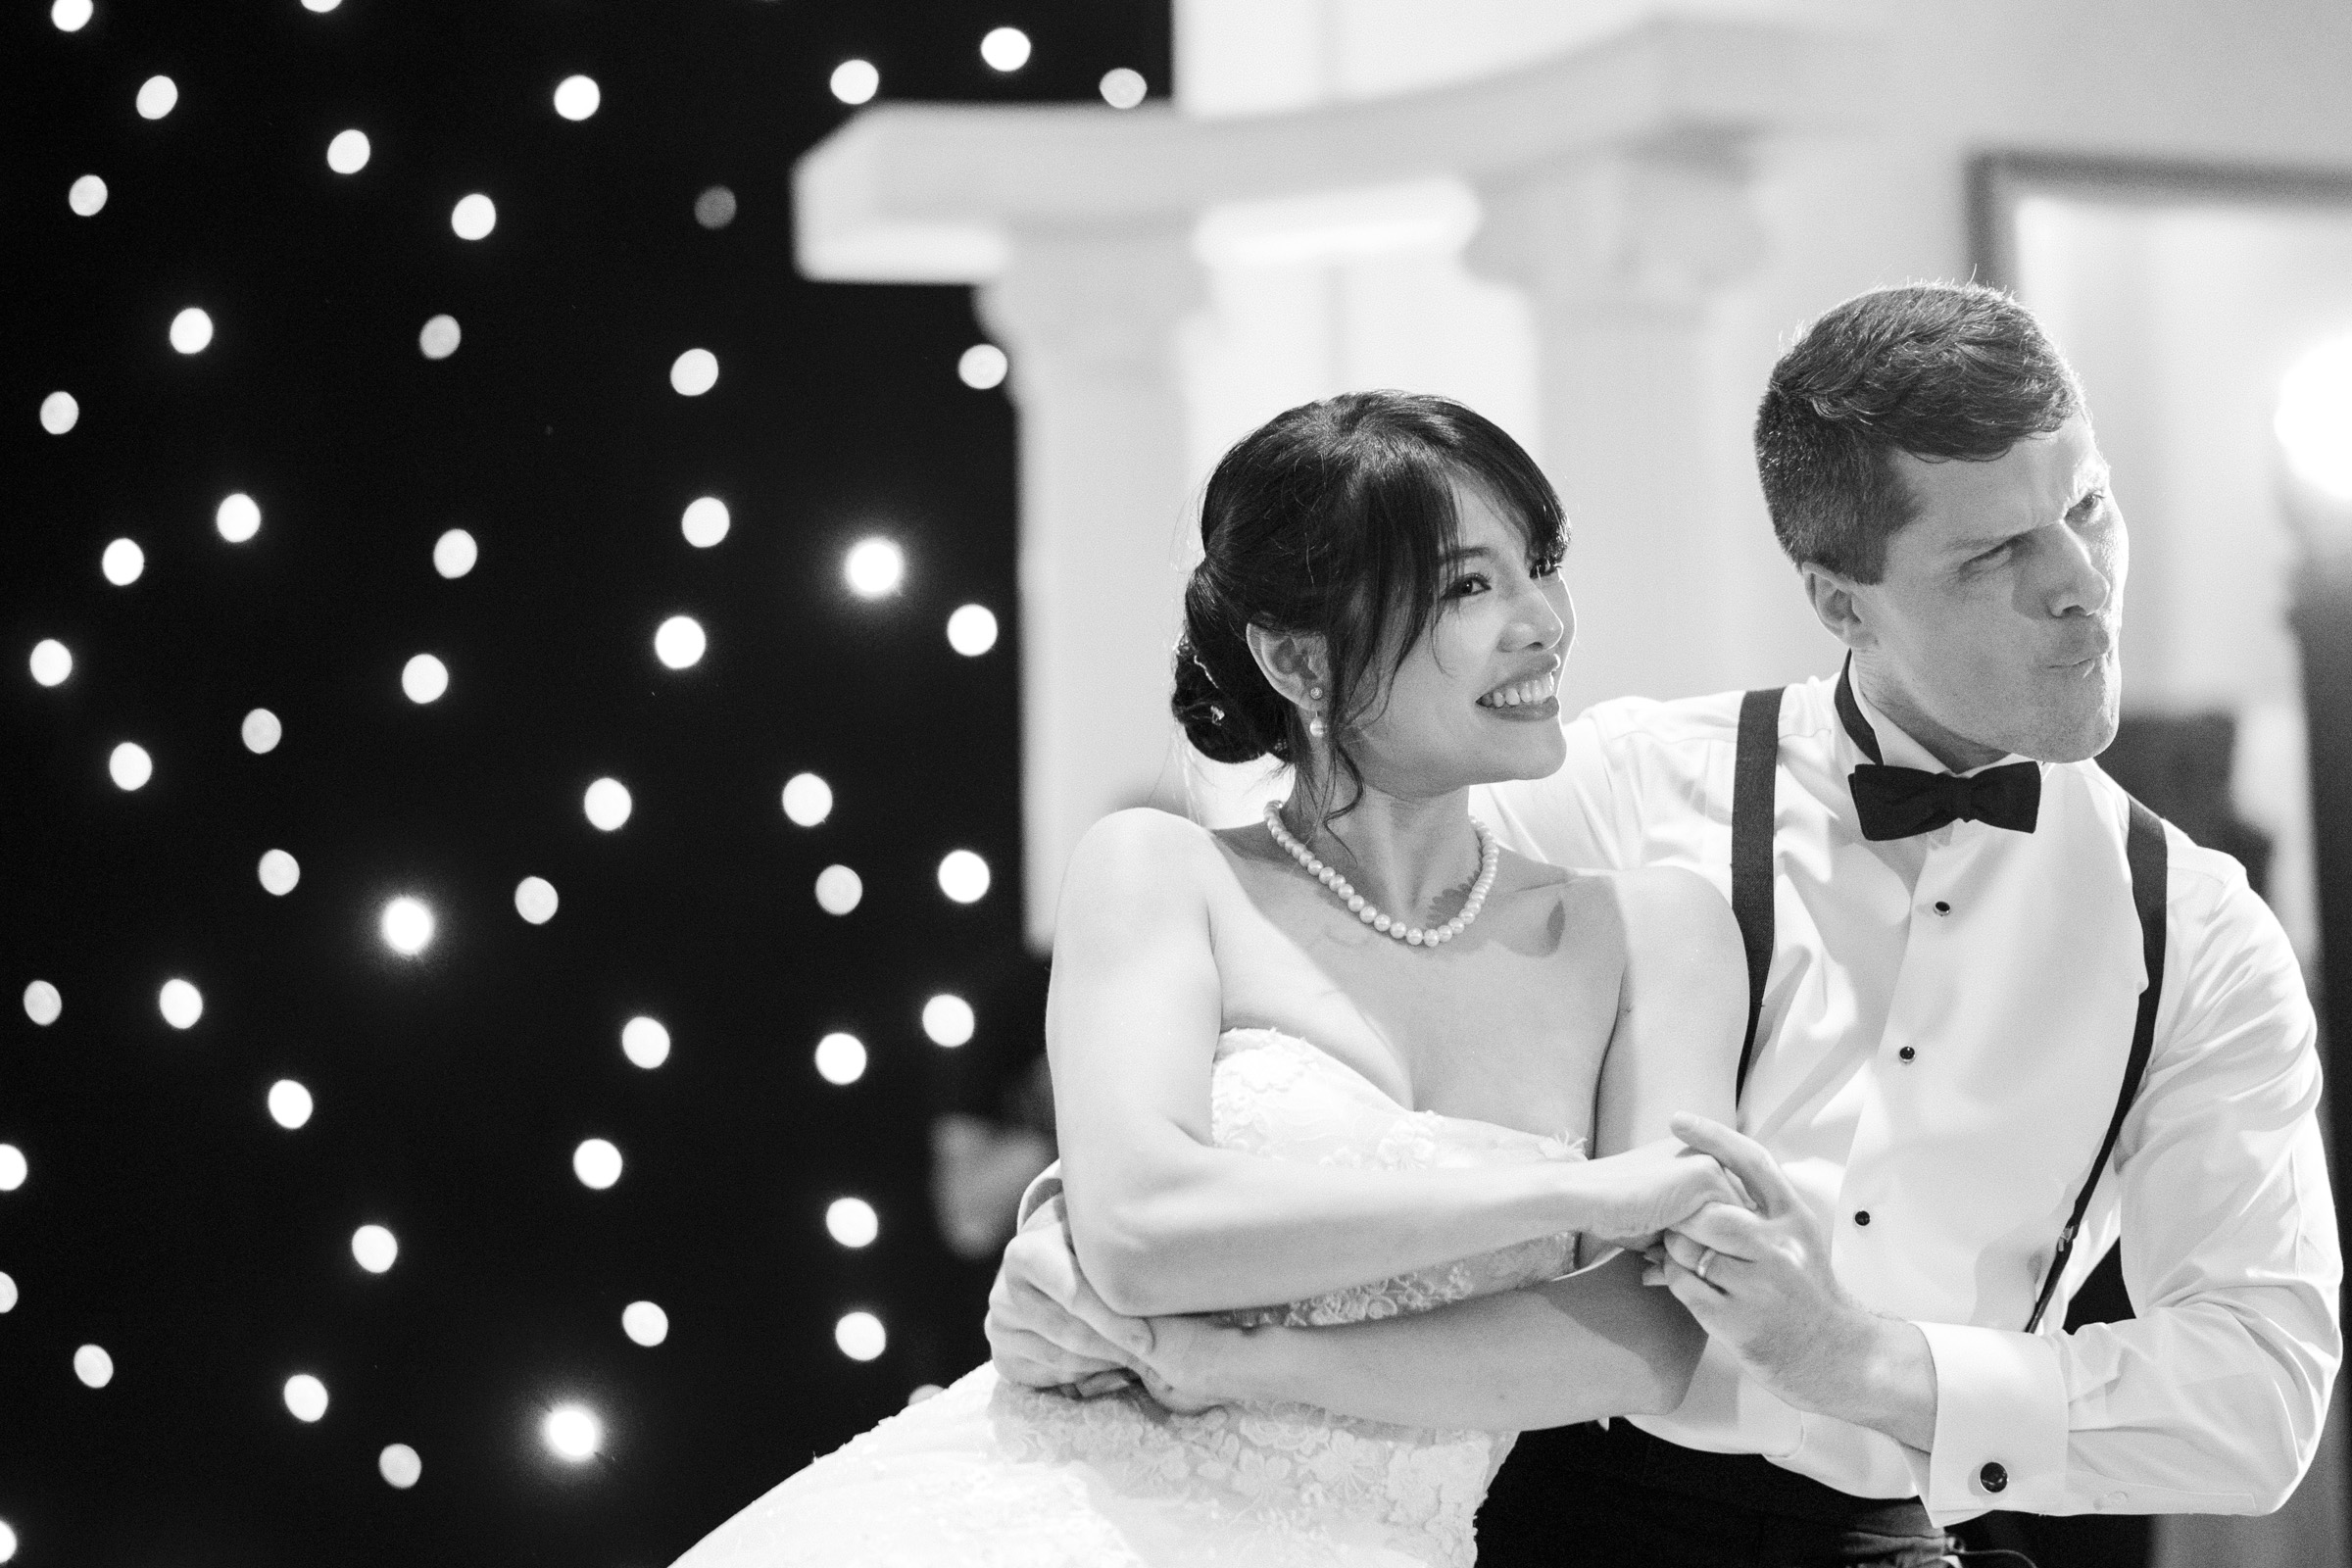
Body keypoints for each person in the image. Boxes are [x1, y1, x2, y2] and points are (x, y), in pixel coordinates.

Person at [988, 282, 2343, 1567]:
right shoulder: (1607, 795)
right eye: (1996, 551)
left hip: (1902, 1532)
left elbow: (2261, 1397)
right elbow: (1323, 977)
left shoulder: (2201, 934)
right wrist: (1078, 1223)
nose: (2081, 584)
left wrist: (1864, 1362)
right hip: (1538, 1514)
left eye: (2089, 509)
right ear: (1835, 596)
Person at [665, 392, 1756, 1568]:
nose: (1544, 621)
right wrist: (1577, 1200)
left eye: (1540, 565)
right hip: (1056, 1507)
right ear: (1298, 657)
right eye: (1467, 586)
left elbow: (1647, 1339)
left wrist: (1253, 1360)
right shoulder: (1161, 872)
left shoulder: (1654, 930)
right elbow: (1141, 1230)